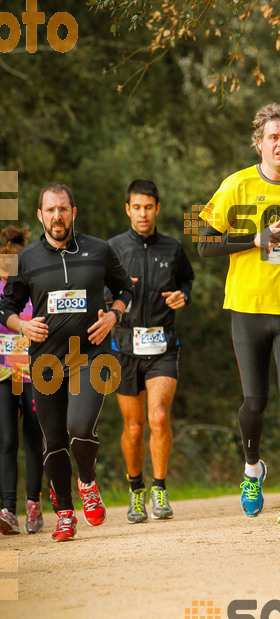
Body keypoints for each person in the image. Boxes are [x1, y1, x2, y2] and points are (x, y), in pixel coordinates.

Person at [198, 102, 280, 526]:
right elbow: (204, 245)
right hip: (249, 309)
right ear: (259, 143)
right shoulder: (235, 186)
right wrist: (253, 239)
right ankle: (253, 468)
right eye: (273, 137)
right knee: (255, 401)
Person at [0, 183, 133, 542]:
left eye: (63, 208)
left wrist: (114, 316)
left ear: (74, 211)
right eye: (50, 210)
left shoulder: (99, 250)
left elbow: (125, 290)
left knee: (78, 426)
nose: (57, 216)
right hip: (46, 361)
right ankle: (64, 514)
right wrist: (23, 325)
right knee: (54, 440)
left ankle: (87, 481)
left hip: (90, 353)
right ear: (40, 215)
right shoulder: (26, 259)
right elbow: (7, 308)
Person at [108, 179, 194, 523]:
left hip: (163, 344)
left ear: (157, 209)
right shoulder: (112, 249)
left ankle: (159, 488)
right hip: (124, 346)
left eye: (149, 207)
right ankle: (135, 490)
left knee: (158, 416)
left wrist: (182, 296)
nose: (143, 213)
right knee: (134, 428)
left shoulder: (172, 248)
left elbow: (187, 280)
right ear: (127, 209)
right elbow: (101, 291)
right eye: (137, 207)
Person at [0, 226, 44, 535]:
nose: (9, 265)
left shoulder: (30, 288)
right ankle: (7, 509)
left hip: (32, 373)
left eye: (14, 260)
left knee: (33, 439)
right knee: (6, 440)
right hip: (3, 373)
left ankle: (33, 505)